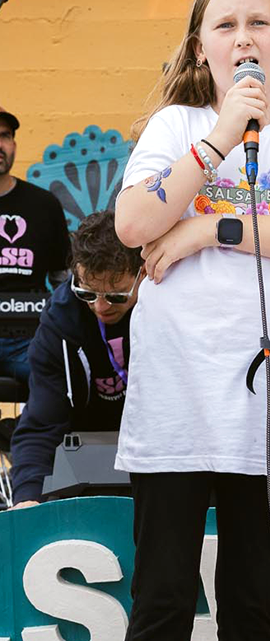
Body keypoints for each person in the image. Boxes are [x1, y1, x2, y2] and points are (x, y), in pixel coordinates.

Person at [113, 0, 270, 640]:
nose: (243, 37)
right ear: (201, 47)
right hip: (175, 398)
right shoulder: (174, 126)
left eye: (258, 22)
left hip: (263, 403)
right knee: (160, 602)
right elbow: (133, 225)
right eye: (225, 24)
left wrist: (205, 228)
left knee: (251, 609)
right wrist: (220, 135)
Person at [9, 210, 141, 508]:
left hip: (157, 454)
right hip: (79, 451)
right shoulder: (59, 323)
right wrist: (28, 498)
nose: (101, 306)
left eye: (116, 296)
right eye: (87, 293)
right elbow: (41, 423)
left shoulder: (171, 313)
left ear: (142, 273)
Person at [0, 107, 71, 387]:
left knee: (58, 382)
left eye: (5, 136)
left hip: (28, 338)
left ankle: (24, 432)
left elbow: (62, 279)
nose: (0, 145)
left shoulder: (43, 205)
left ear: (14, 145)